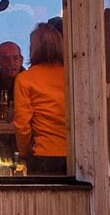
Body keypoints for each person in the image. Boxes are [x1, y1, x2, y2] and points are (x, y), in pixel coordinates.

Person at [14, 21, 69, 176]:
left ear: (34, 48)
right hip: (75, 153)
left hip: (44, 153)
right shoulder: (71, 76)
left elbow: (22, 124)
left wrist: (25, 153)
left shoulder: (25, 79)